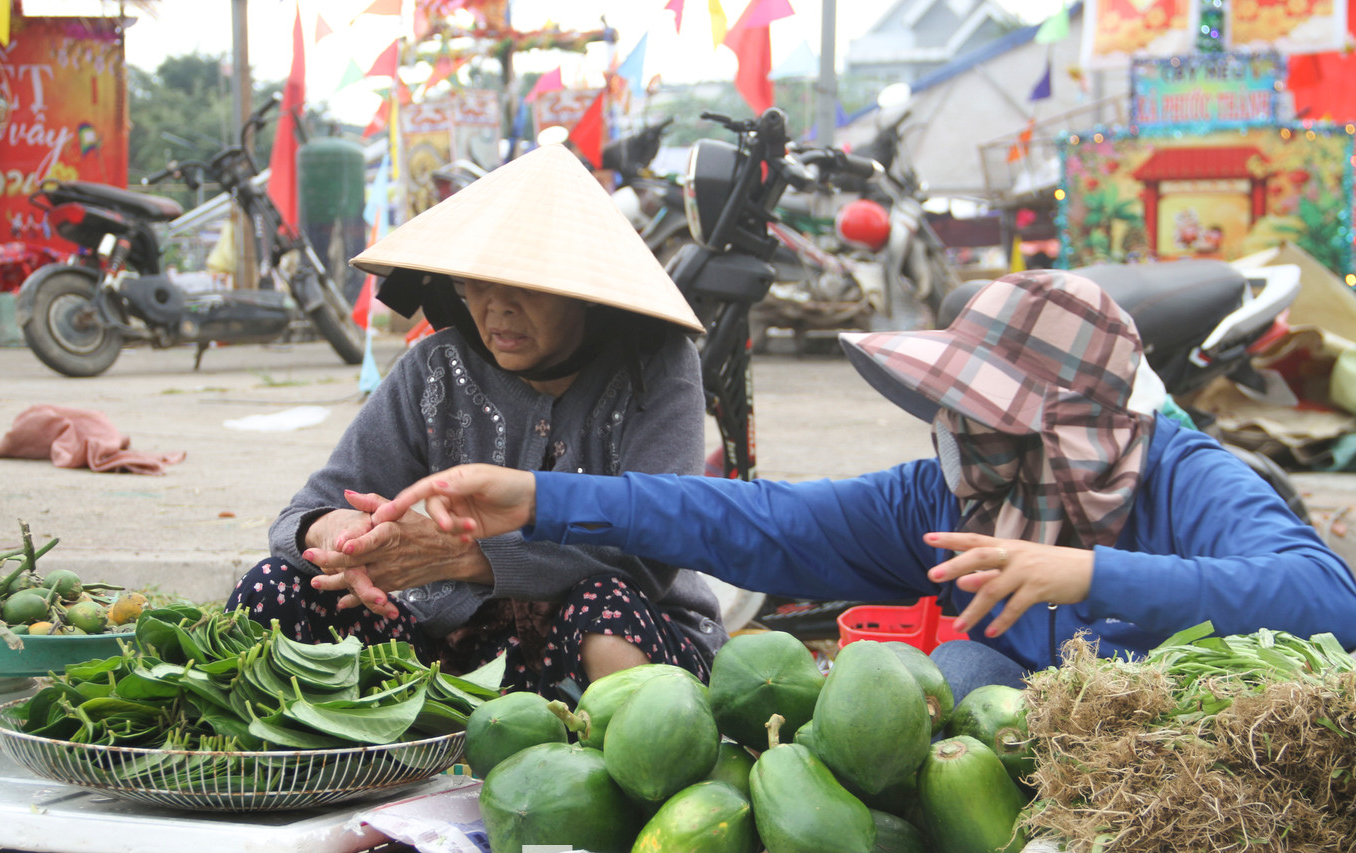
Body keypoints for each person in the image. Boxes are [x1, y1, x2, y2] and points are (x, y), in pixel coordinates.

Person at [366, 269, 1356, 702]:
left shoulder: (1187, 479)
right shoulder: (944, 500)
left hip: (1197, 767)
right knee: (961, 680)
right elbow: (759, 520)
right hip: (1031, 772)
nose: (960, 437)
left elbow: (1325, 601)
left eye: (987, 417)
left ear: (1069, 425)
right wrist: (540, 496)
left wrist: (1087, 575)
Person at [225, 144, 725, 702]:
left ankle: (595, 772)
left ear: (586, 295)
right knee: (275, 590)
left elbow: (649, 551)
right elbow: (302, 512)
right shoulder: (434, 368)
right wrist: (339, 538)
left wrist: (462, 554)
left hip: (593, 639)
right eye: (479, 284)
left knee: (605, 615)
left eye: (528, 287)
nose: (497, 308)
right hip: (445, 648)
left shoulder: (654, 368)